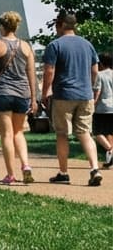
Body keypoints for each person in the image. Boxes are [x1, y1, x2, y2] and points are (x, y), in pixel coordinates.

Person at [0, 11, 37, 184]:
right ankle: (26, 165)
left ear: (2, 27)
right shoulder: (26, 47)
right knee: (19, 132)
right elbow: (31, 73)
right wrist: (33, 98)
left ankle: (11, 175)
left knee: (6, 135)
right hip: (22, 94)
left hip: (3, 93)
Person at [42, 12, 102, 186]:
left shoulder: (55, 45)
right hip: (85, 95)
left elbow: (49, 71)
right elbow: (95, 71)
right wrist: (88, 87)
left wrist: (46, 91)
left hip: (64, 95)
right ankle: (94, 169)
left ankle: (63, 173)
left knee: (62, 134)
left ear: (60, 25)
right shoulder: (87, 45)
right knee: (85, 132)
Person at [93, 53, 113, 169]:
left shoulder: (100, 75)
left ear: (101, 63)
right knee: (110, 132)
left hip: (102, 108)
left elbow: (97, 92)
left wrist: (93, 104)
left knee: (96, 132)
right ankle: (110, 158)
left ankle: (110, 150)